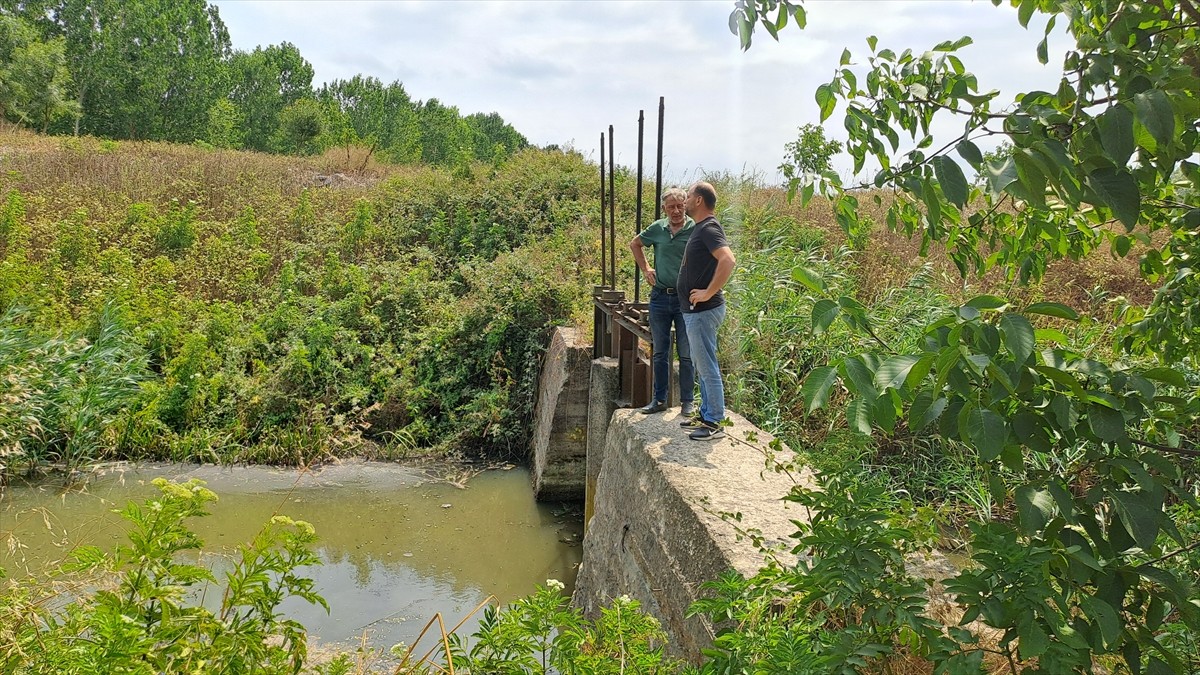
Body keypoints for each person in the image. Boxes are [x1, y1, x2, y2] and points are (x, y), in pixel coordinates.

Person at [677, 181, 735, 441]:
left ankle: (714, 423)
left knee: (707, 366)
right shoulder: (702, 228)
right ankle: (706, 412)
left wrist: (708, 292)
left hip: (702, 311)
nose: (685, 200)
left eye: (688, 196)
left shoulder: (709, 227)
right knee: (702, 364)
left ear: (699, 200)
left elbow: (728, 259)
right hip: (695, 312)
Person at [630, 187, 696, 416]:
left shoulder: (694, 228)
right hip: (660, 297)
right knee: (660, 351)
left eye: (680, 206)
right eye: (671, 207)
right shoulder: (657, 229)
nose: (676, 211)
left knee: (686, 352)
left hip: (685, 299)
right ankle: (659, 400)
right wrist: (646, 268)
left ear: (686, 205)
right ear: (664, 209)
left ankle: (688, 402)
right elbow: (635, 244)